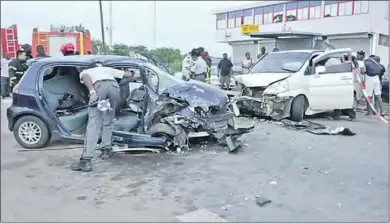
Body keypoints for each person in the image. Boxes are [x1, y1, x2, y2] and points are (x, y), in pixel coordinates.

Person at [71, 62, 135, 172]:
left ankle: (86, 161)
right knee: (108, 120)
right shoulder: (107, 69)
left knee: (94, 124)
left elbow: (85, 77)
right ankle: (106, 150)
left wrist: (92, 91)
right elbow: (127, 75)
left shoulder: (86, 71)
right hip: (114, 89)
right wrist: (133, 71)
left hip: (99, 88)